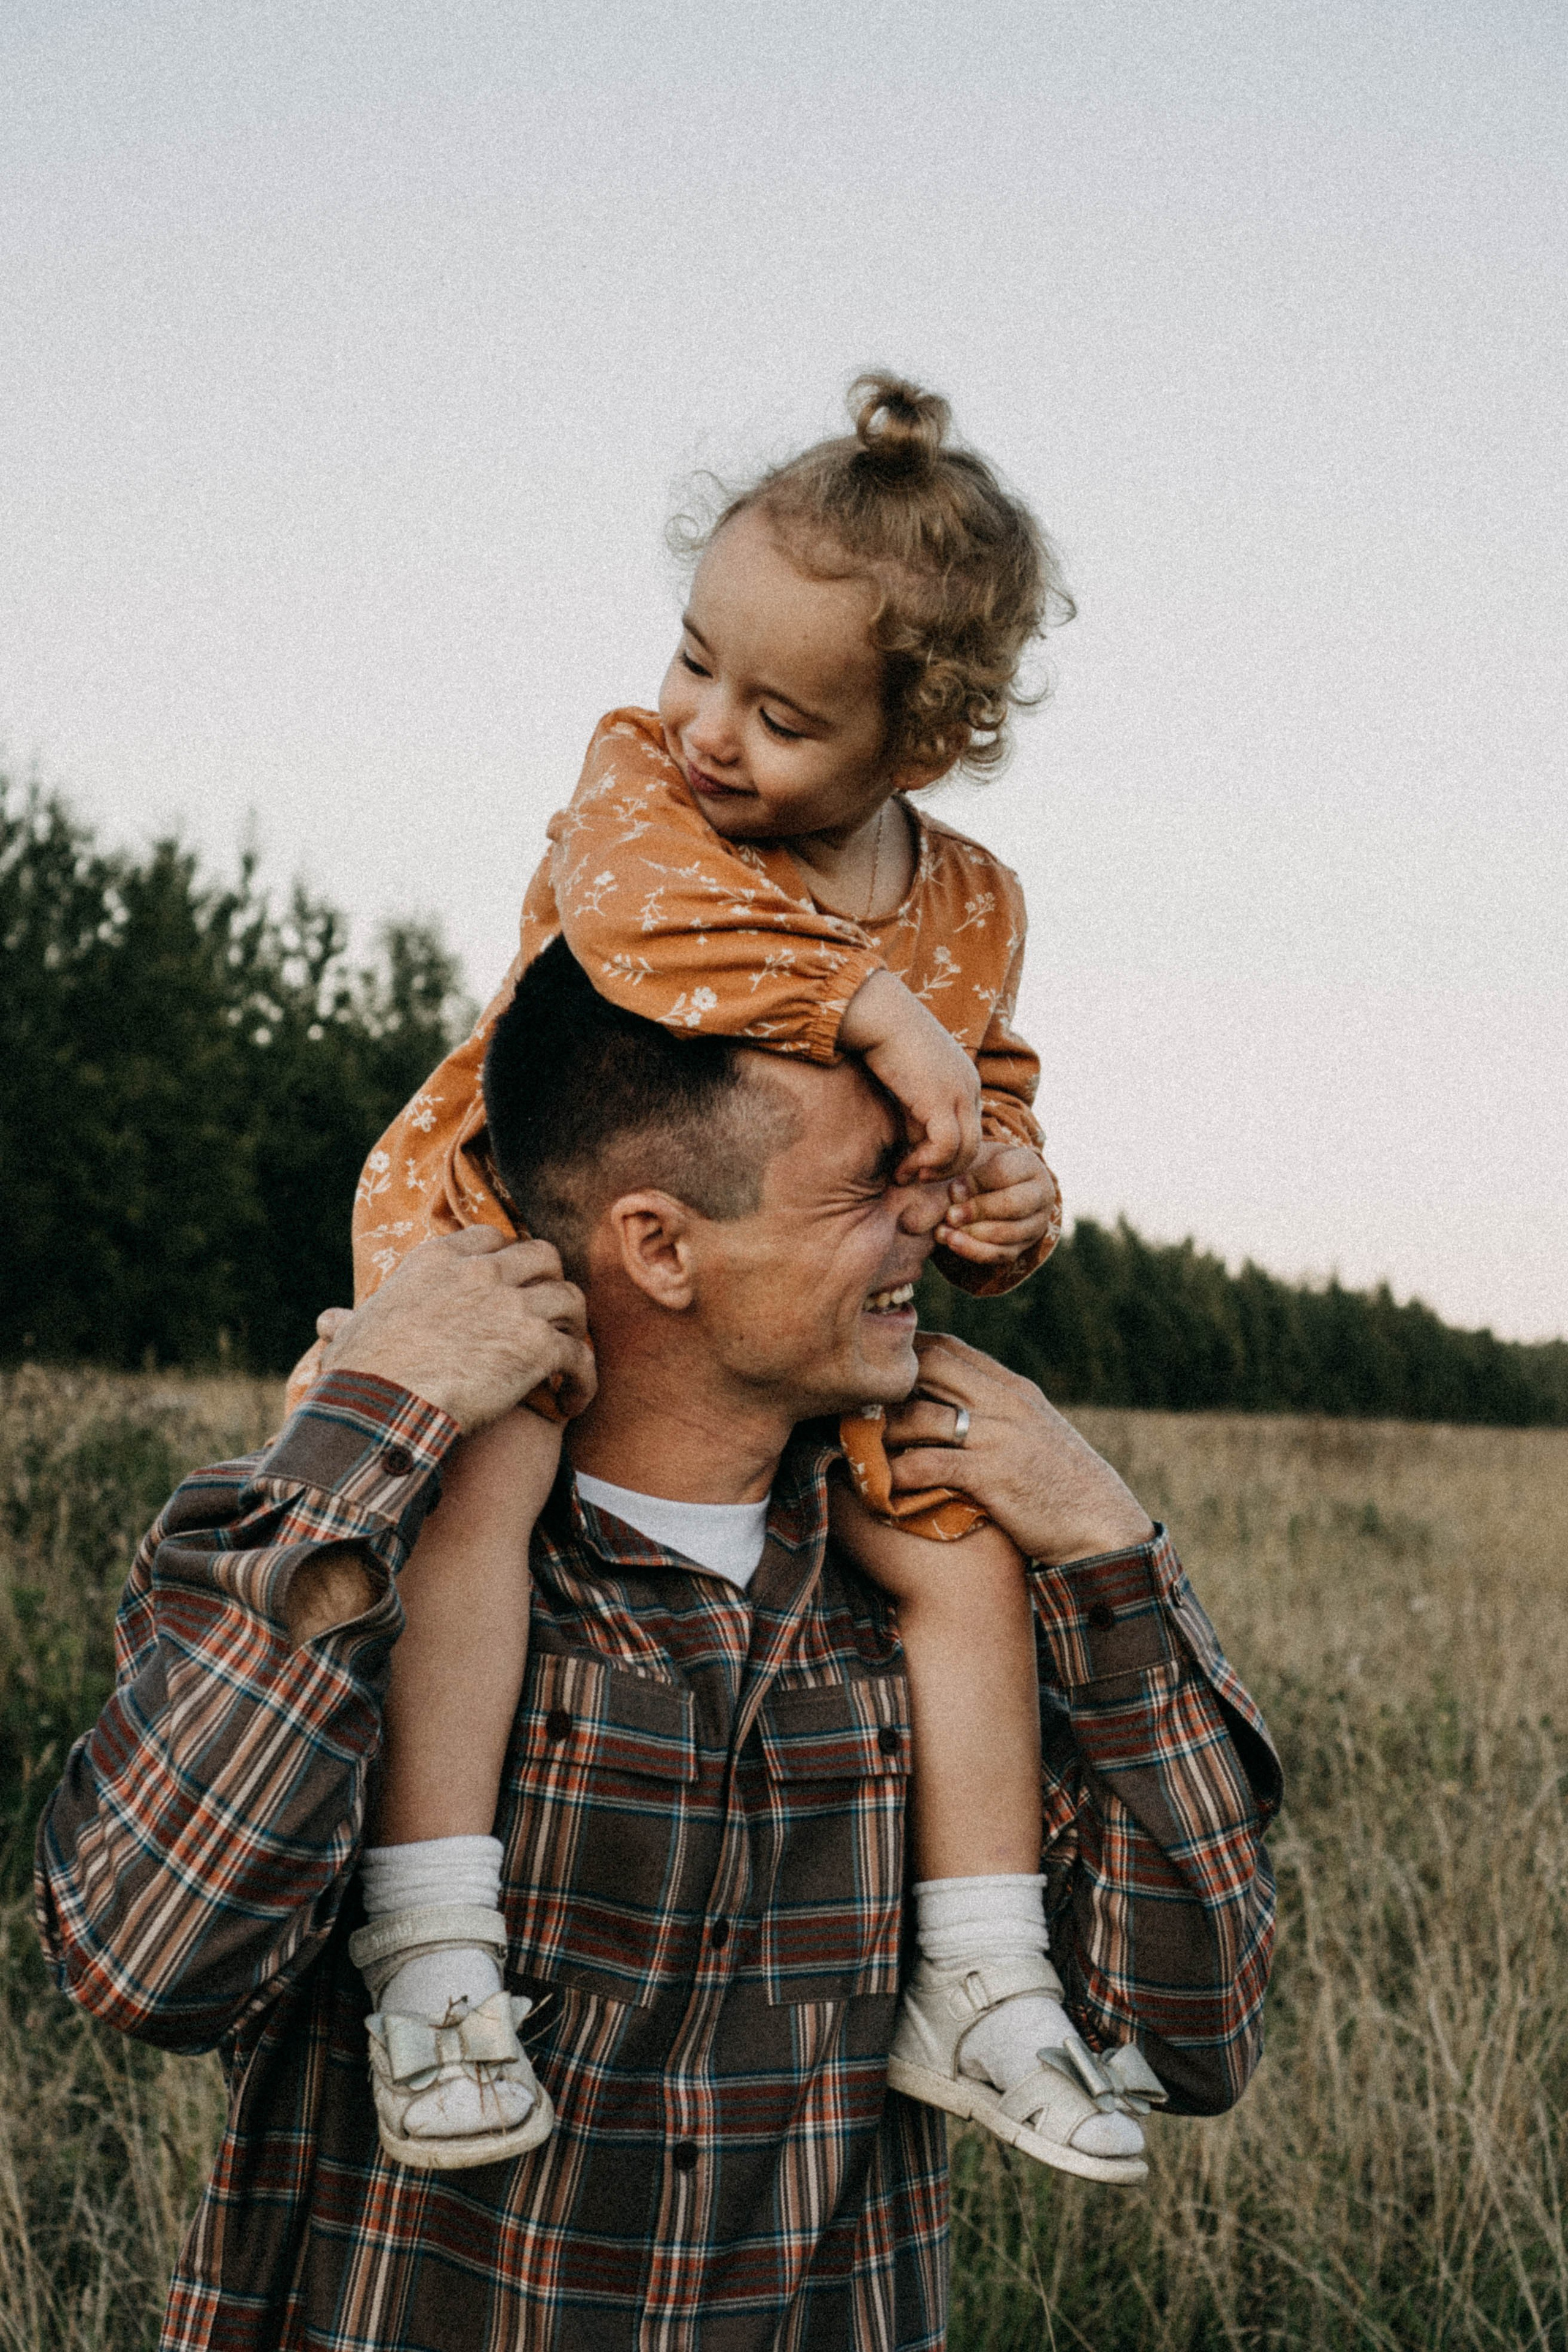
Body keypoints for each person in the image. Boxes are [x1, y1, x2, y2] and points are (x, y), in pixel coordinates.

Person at [37, 946, 1281, 2352]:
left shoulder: (942, 1592)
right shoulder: (371, 1548)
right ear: (661, 1245)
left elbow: (1187, 2037)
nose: (933, 1215)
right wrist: (372, 1430)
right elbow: (150, 1965)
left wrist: (1103, 1546)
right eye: (870, 1182)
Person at [314, 375, 1091, 2169]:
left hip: (792, 1299)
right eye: (695, 661)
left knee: (952, 1540)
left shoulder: (970, 900)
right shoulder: (643, 791)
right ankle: (431, 1942)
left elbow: (987, 1084)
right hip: (512, 1224)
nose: (712, 730)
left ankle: (981, 1972)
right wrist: (861, 1002)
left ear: (923, 741)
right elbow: (642, 927)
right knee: (482, 1479)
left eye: (784, 713)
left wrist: (1007, 1192)